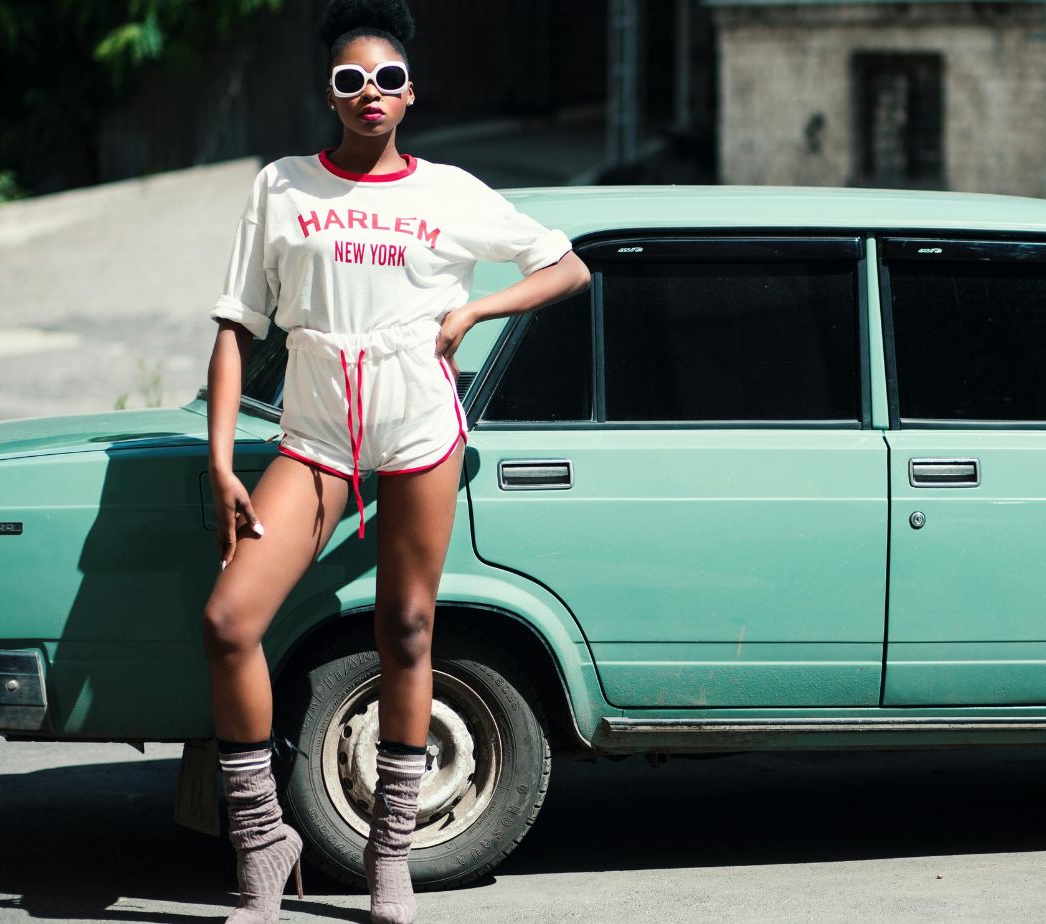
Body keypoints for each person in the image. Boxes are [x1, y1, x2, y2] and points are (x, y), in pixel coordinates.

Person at [199, 1, 590, 921]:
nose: (367, 93)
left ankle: (390, 856)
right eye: (348, 80)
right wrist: (222, 463)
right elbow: (233, 327)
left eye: (384, 79)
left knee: (408, 629)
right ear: (328, 93)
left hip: (419, 429)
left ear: (409, 93)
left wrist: (471, 315)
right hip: (316, 437)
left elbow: (565, 266)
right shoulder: (283, 187)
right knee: (227, 620)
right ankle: (263, 840)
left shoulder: (448, 191)